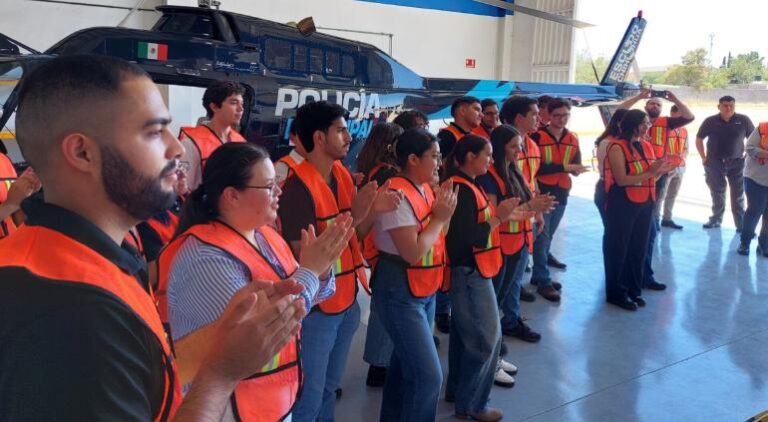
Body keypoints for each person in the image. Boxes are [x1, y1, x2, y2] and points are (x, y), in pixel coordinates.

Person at [0, 54, 306, 421]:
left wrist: (221, 338)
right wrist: (221, 375)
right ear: (82, 152)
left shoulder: (97, 253)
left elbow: (141, 370)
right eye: (152, 132)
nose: (176, 149)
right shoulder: (68, 310)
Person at [158, 142, 354, 420]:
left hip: (269, 399)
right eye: (269, 186)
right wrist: (311, 271)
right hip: (227, 408)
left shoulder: (265, 235)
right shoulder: (204, 258)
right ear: (232, 196)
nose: (279, 191)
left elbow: (307, 296)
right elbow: (260, 328)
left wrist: (319, 272)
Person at [278, 100, 401, 421]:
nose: (349, 137)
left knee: (329, 388)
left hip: (346, 302)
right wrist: (360, 212)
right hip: (316, 311)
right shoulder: (294, 187)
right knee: (309, 393)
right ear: (319, 138)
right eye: (341, 130)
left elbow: (356, 235)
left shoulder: (344, 177)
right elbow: (301, 259)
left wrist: (373, 211)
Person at [372, 128, 456, 421]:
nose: (439, 162)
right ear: (412, 159)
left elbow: (437, 237)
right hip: (400, 290)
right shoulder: (397, 194)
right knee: (429, 377)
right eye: (433, 156)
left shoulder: (424, 188)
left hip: (424, 288)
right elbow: (412, 252)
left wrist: (441, 217)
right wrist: (440, 218)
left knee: (403, 367)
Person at [443, 134, 520, 422]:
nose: (490, 159)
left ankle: (458, 392)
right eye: (486, 155)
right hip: (470, 273)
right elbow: (461, 241)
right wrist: (498, 218)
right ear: (470, 157)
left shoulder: (468, 186)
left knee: (465, 338)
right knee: (487, 340)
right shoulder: (462, 190)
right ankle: (473, 404)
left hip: (475, 271)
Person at [478, 125, 555, 384]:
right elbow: (496, 215)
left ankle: (495, 355)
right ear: (499, 148)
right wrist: (531, 208)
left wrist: (536, 212)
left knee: (499, 304)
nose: (519, 150)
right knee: (491, 308)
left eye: (519, 145)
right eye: (513, 146)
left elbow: (522, 204)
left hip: (518, 246)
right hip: (499, 249)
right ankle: (489, 361)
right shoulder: (489, 177)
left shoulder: (514, 170)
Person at [618, 89, 694, 291]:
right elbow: (618, 111)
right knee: (634, 231)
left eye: (658, 104)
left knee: (649, 228)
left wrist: (674, 98)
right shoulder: (629, 124)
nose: (655, 107)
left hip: (657, 175)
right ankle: (628, 275)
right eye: (651, 103)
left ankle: (643, 274)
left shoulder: (666, 123)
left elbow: (689, 116)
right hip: (634, 178)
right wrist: (638, 96)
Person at [602, 110, 675, 311]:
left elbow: (649, 177)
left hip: (645, 202)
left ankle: (633, 290)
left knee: (638, 248)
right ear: (632, 124)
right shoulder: (616, 147)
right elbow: (622, 179)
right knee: (618, 248)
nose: (648, 127)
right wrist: (651, 172)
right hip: (622, 202)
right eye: (644, 124)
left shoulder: (646, 145)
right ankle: (615, 292)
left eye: (648, 124)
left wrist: (659, 172)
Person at [355, 121, 403, 387]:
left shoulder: (369, 166)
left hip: (371, 242)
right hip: (380, 245)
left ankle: (379, 361)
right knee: (383, 311)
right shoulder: (387, 174)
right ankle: (379, 364)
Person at [434, 96, 482, 333]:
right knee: (449, 252)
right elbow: (440, 168)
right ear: (461, 111)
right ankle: (443, 309)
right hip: (451, 196)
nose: (480, 114)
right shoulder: (447, 136)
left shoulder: (474, 137)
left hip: (466, 195)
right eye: (476, 109)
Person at [500, 96, 555, 302]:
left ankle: (511, 315)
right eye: (533, 114)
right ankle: (507, 318)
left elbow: (532, 180)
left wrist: (537, 212)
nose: (539, 118)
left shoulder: (532, 145)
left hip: (528, 214)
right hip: (508, 216)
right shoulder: (498, 146)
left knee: (518, 269)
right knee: (505, 274)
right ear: (518, 118)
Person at [530, 98, 589, 275]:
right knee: (542, 236)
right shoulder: (537, 137)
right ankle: (541, 276)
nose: (561, 119)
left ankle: (543, 262)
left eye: (565, 115)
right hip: (543, 191)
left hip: (562, 191)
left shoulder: (572, 138)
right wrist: (565, 167)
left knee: (549, 234)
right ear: (548, 115)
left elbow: (575, 163)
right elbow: (535, 167)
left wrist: (577, 170)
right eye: (557, 115)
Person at [696, 95, 754, 230]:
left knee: (738, 195)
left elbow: (753, 140)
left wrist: (747, 156)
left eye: (731, 105)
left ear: (734, 106)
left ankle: (741, 225)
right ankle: (715, 220)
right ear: (719, 107)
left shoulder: (743, 120)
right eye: (725, 105)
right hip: (714, 163)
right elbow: (699, 139)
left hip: (738, 164)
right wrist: (703, 157)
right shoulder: (710, 121)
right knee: (717, 192)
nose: (728, 108)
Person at [180, 80, 247, 190]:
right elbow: (182, 189)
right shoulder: (191, 144)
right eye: (234, 103)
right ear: (214, 107)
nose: (241, 109)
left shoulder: (240, 142)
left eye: (242, 104)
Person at [737, 123, 768, 256]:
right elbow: (749, 148)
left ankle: (764, 245)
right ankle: (745, 243)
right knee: (754, 212)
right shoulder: (763, 128)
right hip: (756, 179)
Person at [594, 109, 628, 225]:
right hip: (609, 189)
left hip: (614, 189)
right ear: (619, 124)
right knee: (613, 231)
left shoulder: (621, 142)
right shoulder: (608, 143)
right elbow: (612, 172)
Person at [660, 105, 690, 229]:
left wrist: (683, 155)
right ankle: (655, 220)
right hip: (666, 168)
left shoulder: (684, 130)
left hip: (680, 167)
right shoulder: (664, 129)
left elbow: (686, 147)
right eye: (680, 116)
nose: (682, 119)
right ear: (672, 113)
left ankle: (667, 218)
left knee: (672, 195)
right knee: (660, 195)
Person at [0, 156, 41, 238]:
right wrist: (10, 205)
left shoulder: (3, 159)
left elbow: (15, 215)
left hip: (11, 244)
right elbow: (11, 204)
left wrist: (25, 193)